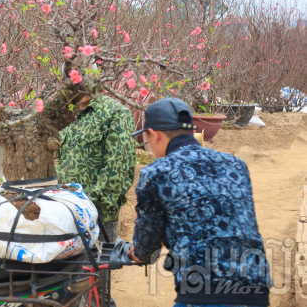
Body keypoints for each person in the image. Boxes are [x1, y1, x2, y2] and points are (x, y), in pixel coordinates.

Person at [129, 98, 271, 307]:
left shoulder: (156, 173)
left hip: (205, 291)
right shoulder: (235, 165)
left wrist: (138, 252)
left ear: (155, 135)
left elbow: (147, 247)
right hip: (254, 287)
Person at [56, 94, 136, 242]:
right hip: (62, 214)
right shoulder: (65, 114)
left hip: (98, 217)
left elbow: (118, 168)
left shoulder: (115, 113)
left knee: (93, 263)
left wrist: (88, 207)